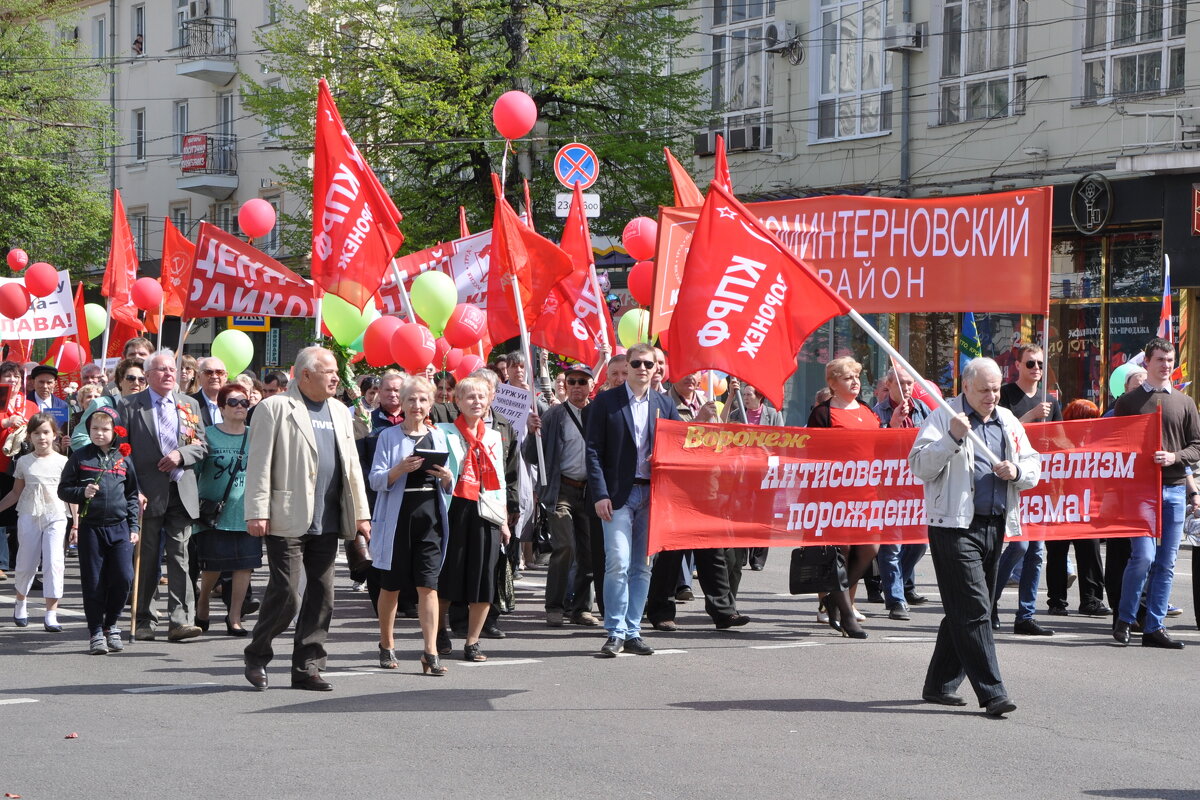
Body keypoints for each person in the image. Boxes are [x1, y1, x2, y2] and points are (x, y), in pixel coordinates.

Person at [910, 357, 1039, 716]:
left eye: (996, 388)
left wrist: (1017, 471)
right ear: (966, 386)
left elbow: (1033, 464)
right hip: (953, 526)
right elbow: (919, 465)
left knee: (962, 609)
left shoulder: (1007, 420)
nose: (992, 395)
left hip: (994, 525)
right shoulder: (942, 416)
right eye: (984, 389)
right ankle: (993, 692)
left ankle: (939, 684)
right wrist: (952, 438)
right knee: (976, 608)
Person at [242, 346, 371, 691]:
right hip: (287, 515)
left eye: (335, 372)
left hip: (329, 518)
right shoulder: (274, 408)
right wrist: (257, 511)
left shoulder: (341, 411)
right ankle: (257, 653)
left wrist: (361, 513)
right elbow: (258, 463)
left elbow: (352, 468)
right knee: (286, 592)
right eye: (328, 371)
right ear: (305, 375)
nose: (335, 377)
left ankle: (307, 666)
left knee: (322, 594)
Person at [585, 342, 683, 657]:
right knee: (617, 562)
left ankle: (633, 631)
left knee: (642, 567)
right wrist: (600, 493)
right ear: (627, 365)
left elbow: (681, 446)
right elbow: (593, 451)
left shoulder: (665, 404)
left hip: (652, 494)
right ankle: (614, 631)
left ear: (657, 370)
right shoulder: (606, 402)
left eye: (649, 364)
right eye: (637, 363)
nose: (643, 369)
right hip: (617, 496)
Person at [1111, 337, 1200, 649]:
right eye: (1160, 359)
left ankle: (1155, 627)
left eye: (1170, 360)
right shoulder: (1128, 402)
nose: (1166, 365)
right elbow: (1114, 446)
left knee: (1167, 561)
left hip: (1174, 489)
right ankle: (1125, 617)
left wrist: (1175, 457)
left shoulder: (1185, 403)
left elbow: (1196, 446)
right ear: (1146, 362)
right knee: (1144, 556)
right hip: (1140, 491)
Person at [646, 369, 747, 631]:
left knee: (713, 554)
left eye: (696, 374)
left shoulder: (706, 400)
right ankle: (660, 611)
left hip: (707, 488)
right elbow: (666, 441)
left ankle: (724, 611)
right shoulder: (664, 403)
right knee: (670, 555)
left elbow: (717, 440)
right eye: (686, 373)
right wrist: (697, 423)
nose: (692, 377)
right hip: (677, 491)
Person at [118, 349, 208, 642]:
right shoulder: (130, 406)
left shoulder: (189, 404)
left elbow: (202, 445)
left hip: (181, 490)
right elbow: (122, 453)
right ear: (147, 376)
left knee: (180, 557)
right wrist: (134, 491)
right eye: (161, 370)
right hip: (146, 493)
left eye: (172, 369)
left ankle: (181, 620)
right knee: (146, 558)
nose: (169, 374)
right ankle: (144, 618)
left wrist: (181, 455)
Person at [370, 376, 455, 674]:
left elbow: (449, 482)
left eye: (422, 400)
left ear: (430, 403)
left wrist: (447, 479)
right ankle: (386, 643)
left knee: (428, 586)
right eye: (411, 399)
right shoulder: (388, 436)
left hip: (429, 516)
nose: (416, 405)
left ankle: (430, 651)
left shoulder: (440, 436)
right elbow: (376, 479)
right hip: (398, 517)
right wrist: (398, 470)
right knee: (391, 586)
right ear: (402, 403)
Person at [436, 376, 510, 662]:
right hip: (454, 507)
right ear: (457, 401)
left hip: (485, 510)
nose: (476, 402)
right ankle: (440, 630)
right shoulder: (443, 432)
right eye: (469, 397)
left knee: (483, 578)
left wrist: (503, 519)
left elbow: (500, 479)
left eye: (481, 397)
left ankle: (472, 641)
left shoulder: (493, 436)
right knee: (448, 575)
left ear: (489, 399)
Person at [807, 356, 881, 639]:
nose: (855, 381)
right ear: (833, 383)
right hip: (835, 493)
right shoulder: (823, 413)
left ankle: (833, 599)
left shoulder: (866, 410)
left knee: (870, 548)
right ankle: (847, 614)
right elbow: (813, 452)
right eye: (848, 377)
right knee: (843, 551)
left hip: (867, 492)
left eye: (857, 376)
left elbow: (880, 446)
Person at [58, 406, 141, 655]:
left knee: (124, 578)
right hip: (92, 528)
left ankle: (112, 624)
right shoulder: (80, 457)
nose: (99, 433)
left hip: (120, 528)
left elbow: (132, 495)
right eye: (94, 428)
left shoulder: (124, 459)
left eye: (105, 429)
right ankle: (95, 631)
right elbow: (63, 489)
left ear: (115, 432)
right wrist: (81, 493)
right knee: (93, 582)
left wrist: (134, 525)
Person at [525, 364, 603, 628]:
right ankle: (554, 605)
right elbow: (531, 456)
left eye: (583, 381)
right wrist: (531, 433)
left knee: (589, 552)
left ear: (591, 385)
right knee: (565, 545)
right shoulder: (553, 415)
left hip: (590, 491)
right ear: (566, 385)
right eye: (572, 382)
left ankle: (580, 608)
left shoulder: (599, 414)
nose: (577, 386)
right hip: (561, 490)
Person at [992, 343, 1061, 637]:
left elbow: (1060, 439)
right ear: (1017, 365)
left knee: (1036, 552)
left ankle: (1026, 615)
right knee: (1017, 546)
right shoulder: (1006, 395)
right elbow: (997, 434)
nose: (1036, 369)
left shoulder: (1051, 400)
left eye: (1040, 364)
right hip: (1012, 482)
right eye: (1030, 363)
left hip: (1040, 482)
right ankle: (989, 602)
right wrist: (1030, 417)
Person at [192, 384, 259, 637]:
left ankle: (234, 616)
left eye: (244, 402)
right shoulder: (207, 434)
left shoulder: (255, 435)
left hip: (247, 511)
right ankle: (204, 600)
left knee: (244, 566)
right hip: (214, 514)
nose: (240, 406)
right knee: (213, 566)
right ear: (221, 407)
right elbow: (195, 472)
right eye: (233, 402)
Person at [0, 414, 69, 631]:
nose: (42, 437)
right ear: (29, 436)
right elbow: (15, 493)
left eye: (46, 432)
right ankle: (21, 602)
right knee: (26, 561)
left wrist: (76, 523)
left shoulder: (63, 462)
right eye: (36, 433)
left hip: (56, 515)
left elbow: (69, 496)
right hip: (29, 514)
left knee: (54, 562)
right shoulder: (23, 461)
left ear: (54, 435)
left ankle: (51, 613)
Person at [872, 366, 931, 621]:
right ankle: (896, 599)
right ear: (889, 385)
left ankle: (901, 583)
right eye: (901, 383)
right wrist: (891, 426)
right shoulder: (878, 412)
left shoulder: (922, 409)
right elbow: (872, 449)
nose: (907, 388)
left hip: (918, 485)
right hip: (890, 487)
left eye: (910, 383)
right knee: (892, 545)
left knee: (920, 542)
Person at [1044, 399, 1111, 617]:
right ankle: (1056, 601)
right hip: (1060, 506)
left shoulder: (1096, 442)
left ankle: (1091, 600)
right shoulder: (1057, 442)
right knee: (1057, 554)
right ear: (1074, 419)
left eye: (1095, 418)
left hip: (1086, 506)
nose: (1092, 423)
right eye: (1087, 418)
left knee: (1090, 553)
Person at [0, 361, 40, 582]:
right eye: (7, 376)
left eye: (16, 376)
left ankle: (24, 564)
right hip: (0, 463)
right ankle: (0, 562)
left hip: (23, 465)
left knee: (23, 514)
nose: (12, 380)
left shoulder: (30, 405)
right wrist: (6, 421)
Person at [27, 365, 69, 432]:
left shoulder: (62, 406)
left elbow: (63, 431)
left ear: (54, 384)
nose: (45, 386)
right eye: (41, 382)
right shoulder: (24, 404)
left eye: (49, 383)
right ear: (33, 382)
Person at [192, 357, 227, 426]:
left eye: (219, 372)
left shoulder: (233, 404)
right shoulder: (189, 404)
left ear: (225, 376)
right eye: (208, 372)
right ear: (198, 377)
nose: (214, 376)